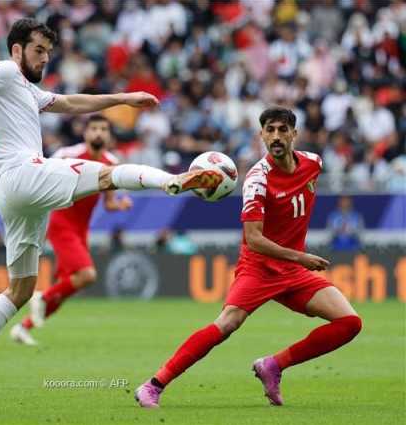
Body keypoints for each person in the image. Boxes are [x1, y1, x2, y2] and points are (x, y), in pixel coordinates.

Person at [0, 18, 222, 404]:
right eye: (38, 50)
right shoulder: (7, 71)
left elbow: (70, 102)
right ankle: (172, 182)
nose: (44, 58)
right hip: (23, 173)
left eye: (48, 52)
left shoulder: (27, 89)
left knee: (21, 289)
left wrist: (124, 98)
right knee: (109, 174)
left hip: (14, 193)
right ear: (17, 50)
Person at [134, 107, 363, 408]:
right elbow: (254, 240)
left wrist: (296, 258)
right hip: (260, 267)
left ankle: (273, 365)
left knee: (349, 323)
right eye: (270, 130)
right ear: (261, 135)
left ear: (295, 133)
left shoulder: (313, 163)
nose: (276, 136)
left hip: (293, 270)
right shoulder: (257, 179)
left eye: (283, 129)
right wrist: (300, 256)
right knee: (227, 324)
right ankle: (153, 385)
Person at [10, 115, 133, 346]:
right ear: (85, 133)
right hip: (60, 221)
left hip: (81, 229)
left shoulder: (111, 162)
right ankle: (41, 297)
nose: (99, 133)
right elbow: (41, 178)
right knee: (87, 275)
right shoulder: (68, 155)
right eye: (94, 128)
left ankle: (23, 328)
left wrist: (120, 205)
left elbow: (108, 202)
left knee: (66, 286)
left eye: (103, 129)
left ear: (109, 135)